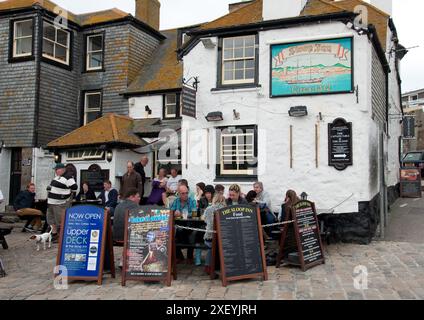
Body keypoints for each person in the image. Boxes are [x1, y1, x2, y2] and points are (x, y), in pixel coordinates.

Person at [47, 163, 78, 242]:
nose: (56, 171)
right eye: (55, 170)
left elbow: (74, 187)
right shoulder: (57, 177)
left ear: (63, 169)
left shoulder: (68, 177)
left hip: (60, 203)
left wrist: (65, 194)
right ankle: (54, 235)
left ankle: (61, 237)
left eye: (57, 169)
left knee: (60, 221)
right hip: (51, 202)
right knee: (50, 220)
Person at [171, 185, 198, 263]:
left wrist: (182, 214)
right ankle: (179, 256)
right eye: (183, 193)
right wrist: (174, 212)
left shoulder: (192, 201)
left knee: (192, 232)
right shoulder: (176, 201)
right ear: (178, 194)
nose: (185, 195)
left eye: (186, 193)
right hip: (178, 224)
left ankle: (189, 256)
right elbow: (170, 211)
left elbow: (194, 214)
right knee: (173, 232)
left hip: (190, 224)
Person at [203, 193, 226, 274]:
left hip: (209, 237)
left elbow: (205, 220)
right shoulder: (226, 209)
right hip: (223, 237)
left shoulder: (209, 209)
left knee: (210, 246)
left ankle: (208, 266)